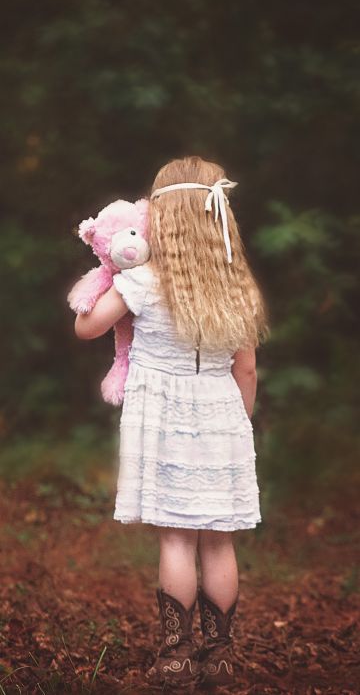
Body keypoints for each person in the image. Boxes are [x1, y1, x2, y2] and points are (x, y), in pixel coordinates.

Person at [74, 155, 269, 691]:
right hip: (223, 414)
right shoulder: (237, 285)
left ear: (159, 216)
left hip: (162, 417)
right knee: (219, 542)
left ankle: (178, 656)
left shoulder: (144, 281)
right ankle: (221, 654)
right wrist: (238, 422)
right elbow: (245, 367)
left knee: (177, 541)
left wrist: (108, 272)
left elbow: (87, 327)